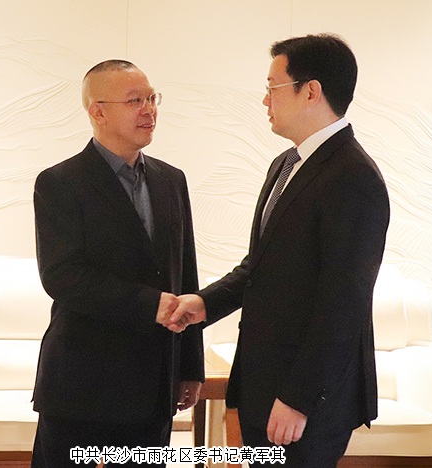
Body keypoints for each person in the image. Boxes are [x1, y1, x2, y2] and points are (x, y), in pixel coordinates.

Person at [166, 34, 390, 467]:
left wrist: (299, 399)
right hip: (264, 383)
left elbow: (344, 303)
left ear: (311, 91)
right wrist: (205, 303)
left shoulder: (353, 177)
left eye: (273, 88)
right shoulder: (286, 164)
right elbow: (262, 264)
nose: (265, 100)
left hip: (304, 400)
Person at [31, 59, 204, 468]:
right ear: (98, 111)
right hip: (82, 383)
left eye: (152, 98)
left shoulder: (171, 179)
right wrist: (150, 304)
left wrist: (189, 365)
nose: (149, 110)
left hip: (153, 384)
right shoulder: (60, 182)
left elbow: (186, 273)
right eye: (134, 101)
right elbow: (62, 276)